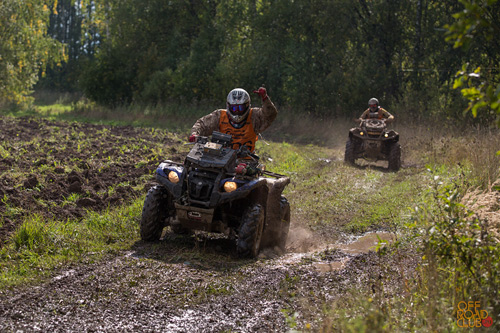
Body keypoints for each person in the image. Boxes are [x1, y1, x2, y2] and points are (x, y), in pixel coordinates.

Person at [188, 87, 277, 154]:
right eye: (234, 108)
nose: (237, 111)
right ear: (228, 106)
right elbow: (202, 124)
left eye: (240, 107)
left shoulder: (254, 116)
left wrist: (265, 99)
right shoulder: (219, 116)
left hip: (245, 160)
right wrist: (195, 134)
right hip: (219, 157)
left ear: (247, 106)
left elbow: (270, 115)